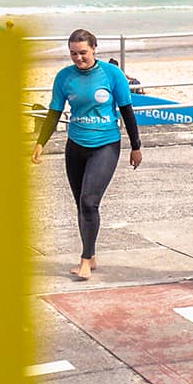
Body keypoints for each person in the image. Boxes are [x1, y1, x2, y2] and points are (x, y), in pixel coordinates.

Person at [31, 29, 142, 281]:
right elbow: (54, 113)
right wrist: (40, 144)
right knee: (81, 204)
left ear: (94, 49)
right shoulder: (64, 78)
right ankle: (90, 256)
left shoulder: (112, 75)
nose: (78, 58)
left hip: (106, 144)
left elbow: (127, 111)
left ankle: (84, 259)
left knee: (89, 202)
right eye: (73, 54)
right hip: (75, 146)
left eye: (83, 52)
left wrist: (136, 146)